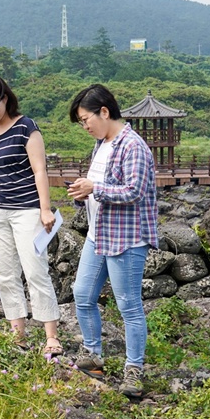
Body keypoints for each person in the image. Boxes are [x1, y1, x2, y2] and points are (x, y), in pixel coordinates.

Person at [65, 83, 158, 398]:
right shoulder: (101, 144)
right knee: (82, 293)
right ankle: (93, 354)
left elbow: (134, 191)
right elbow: (99, 186)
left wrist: (94, 189)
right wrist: (83, 193)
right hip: (98, 233)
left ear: (104, 112)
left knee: (129, 305)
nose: (85, 126)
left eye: (85, 119)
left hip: (127, 238)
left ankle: (134, 370)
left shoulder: (134, 146)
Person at [0, 73, 63, 356]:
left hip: (27, 210)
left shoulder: (26, 128)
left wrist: (45, 209)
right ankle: (17, 333)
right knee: (4, 273)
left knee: (35, 271)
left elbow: (40, 171)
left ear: (5, 98)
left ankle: (51, 336)